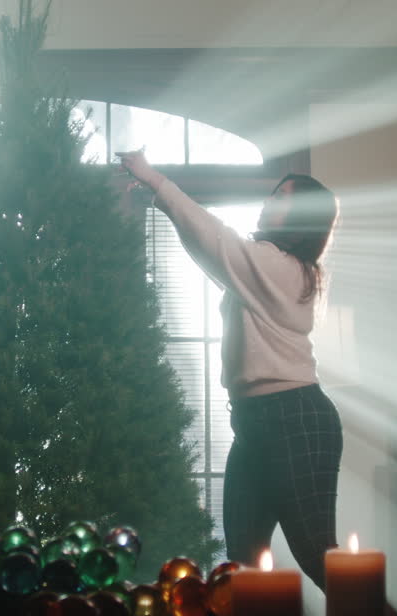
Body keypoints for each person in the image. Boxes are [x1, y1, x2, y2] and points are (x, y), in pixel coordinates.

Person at [117, 150, 342, 591]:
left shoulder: (284, 270)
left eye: (282, 201)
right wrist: (160, 198)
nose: (268, 205)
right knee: (242, 557)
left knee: (316, 551)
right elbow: (211, 253)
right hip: (256, 422)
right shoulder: (266, 270)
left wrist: (153, 177)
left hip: (293, 417)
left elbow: (217, 242)